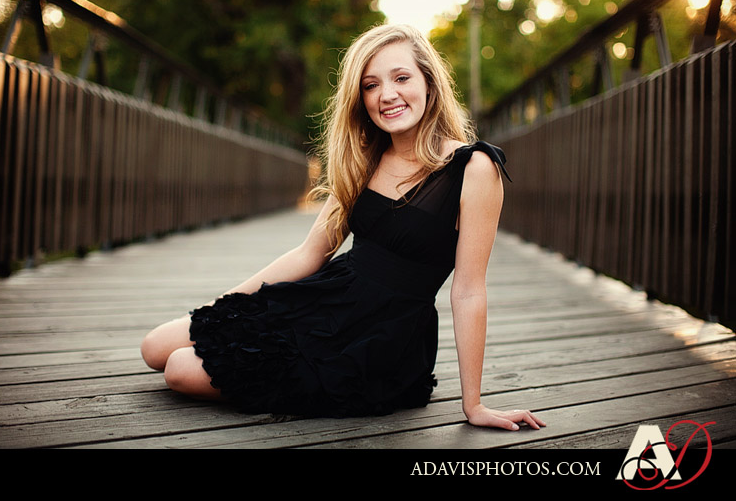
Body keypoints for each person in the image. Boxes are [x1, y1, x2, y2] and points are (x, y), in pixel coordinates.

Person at [140, 23, 545, 431]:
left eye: (401, 78)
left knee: (180, 369)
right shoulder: (365, 157)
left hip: (376, 339)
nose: (387, 95)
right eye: (371, 85)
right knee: (155, 346)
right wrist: (227, 303)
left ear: (429, 83)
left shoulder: (473, 168)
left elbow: (469, 290)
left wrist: (473, 405)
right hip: (322, 300)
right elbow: (310, 253)